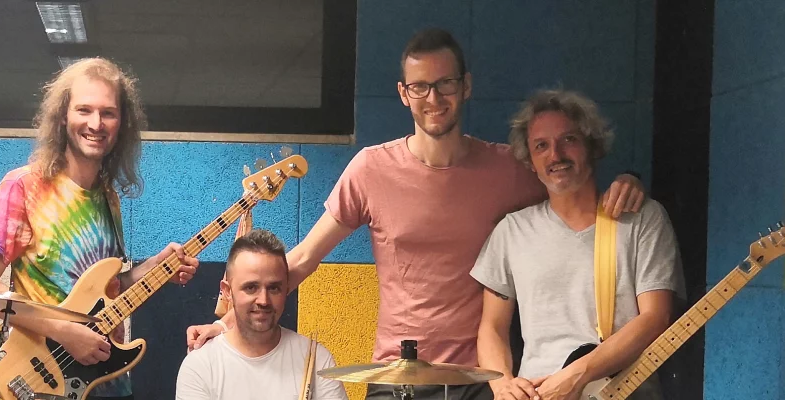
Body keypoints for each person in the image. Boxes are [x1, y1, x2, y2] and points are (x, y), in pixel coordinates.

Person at [186, 29, 647, 400]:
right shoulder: (371, 169)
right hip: (397, 376)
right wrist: (227, 323)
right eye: (420, 86)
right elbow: (303, 258)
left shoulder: (508, 168)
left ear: (466, 86)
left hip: (480, 380)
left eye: (446, 83)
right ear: (403, 94)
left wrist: (629, 180)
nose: (434, 97)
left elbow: (569, 181)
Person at [0, 57, 200, 400]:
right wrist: (63, 332)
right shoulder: (24, 187)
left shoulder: (108, 199)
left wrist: (154, 268)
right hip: (43, 382)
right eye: (84, 110)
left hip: (109, 384)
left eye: (108, 113)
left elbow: (107, 290)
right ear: (63, 115)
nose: (96, 123)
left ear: (122, 123)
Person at [471, 89, 684, 400]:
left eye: (568, 139)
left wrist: (577, 374)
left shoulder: (642, 220)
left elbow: (655, 318)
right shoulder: (512, 231)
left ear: (592, 145)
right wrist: (503, 384)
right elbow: (492, 327)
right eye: (541, 146)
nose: (555, 155)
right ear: (530, 161)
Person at [175, 229, 348, 400]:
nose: (264, 300)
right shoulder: (200, 366)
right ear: (227, 291)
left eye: (274, 288)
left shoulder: (316, 358)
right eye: (251, 287)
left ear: (286, 289)